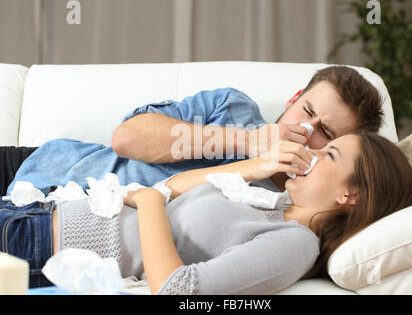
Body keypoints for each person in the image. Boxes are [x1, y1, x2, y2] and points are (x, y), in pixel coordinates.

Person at [0, 132, 412, 293]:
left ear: (352, 196)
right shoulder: (268, 201)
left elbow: (178, 290)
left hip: (35, 247)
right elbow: (171, 188)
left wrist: (147, 203)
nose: (311, 152)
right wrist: (257, 167)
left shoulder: (296, 244)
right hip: (34, 210)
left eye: (329, 153)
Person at [1, 66, 383, 198]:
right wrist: (251, 141)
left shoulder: (293, 204)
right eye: (308, 110)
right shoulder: (232, 106)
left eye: (324, 133)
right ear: (295, 97)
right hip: (42, 166)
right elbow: (127, 139)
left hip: (50, 217)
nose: (305, 128)